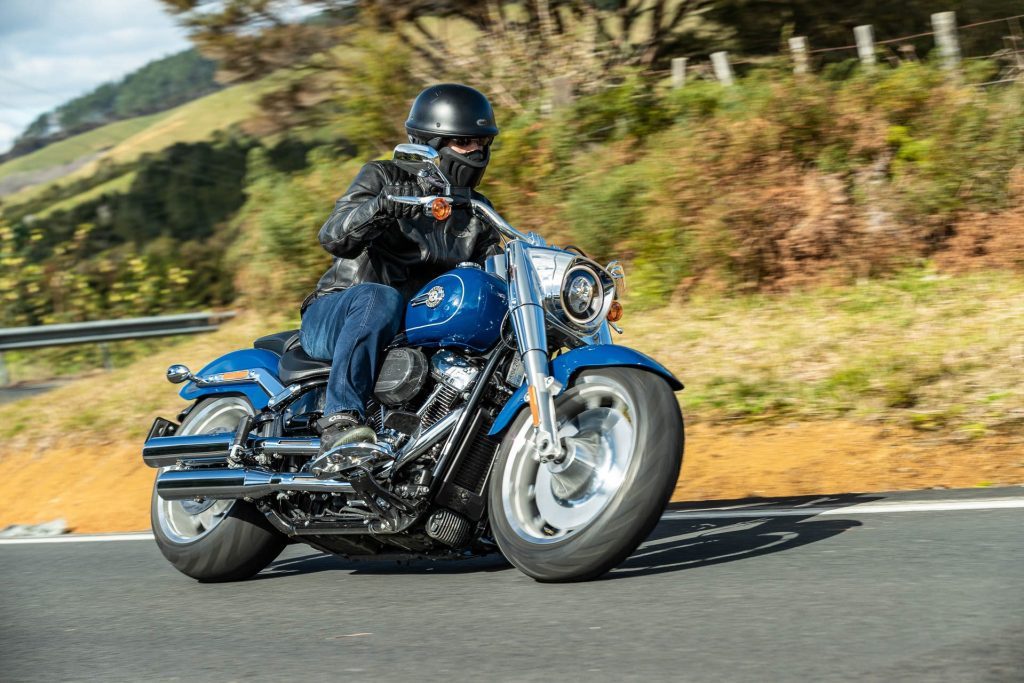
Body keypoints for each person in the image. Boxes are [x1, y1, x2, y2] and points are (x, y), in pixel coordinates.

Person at [299, 83, 502, 458]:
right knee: (381, 296)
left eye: (482, 142)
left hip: (411, 328)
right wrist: (381, 207)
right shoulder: (383, 178)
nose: (476, 151)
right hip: (339, 310)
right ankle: (341, 420)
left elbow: (497, 271)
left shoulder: (477, 211)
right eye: (464, 142)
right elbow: (334, 237)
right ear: (431, 143)